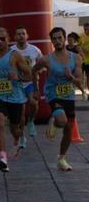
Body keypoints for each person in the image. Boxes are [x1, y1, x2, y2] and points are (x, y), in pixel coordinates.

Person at [34, 27, 84, 171]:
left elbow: (79, 81)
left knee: (68, 129)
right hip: (53, 94)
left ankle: (62, 158)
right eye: (54, 39)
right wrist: (36, 89)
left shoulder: (76, 58)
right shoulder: (46, 59)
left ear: (65, 38)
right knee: (62, 121)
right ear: (51, 41)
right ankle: (55, 122)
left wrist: (71, 78)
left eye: (60, 38)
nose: (57, 41)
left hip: (68, 95)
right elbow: (34, 70)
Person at [0, 27, 32, 172]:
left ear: (8, 39)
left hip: (15, 98)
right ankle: (3, 159)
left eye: (2, 39)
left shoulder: (15, 55)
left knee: (15, 129)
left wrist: (18, 77)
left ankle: (17, 139)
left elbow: (30, 75)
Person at [12, 26, 42, 141]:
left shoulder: (35, 50)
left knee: (34, 103)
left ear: (27, 36)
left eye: (23, 33)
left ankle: (31, 121)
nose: (21, 36)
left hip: (30, 82)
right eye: (18, 34)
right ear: (15, 37)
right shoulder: (12, 51)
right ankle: (22, 136)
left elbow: (42, 63)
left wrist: (37, 71)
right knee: (21, 112)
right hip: (18, 84)